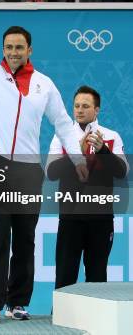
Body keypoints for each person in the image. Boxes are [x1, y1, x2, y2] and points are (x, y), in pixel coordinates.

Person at [0, 0, 89, 324]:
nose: (13, 52)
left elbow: (64, 124)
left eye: (19, 47)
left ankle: (18, 302)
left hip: (28, 170)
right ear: (3, 49)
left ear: (29, 50)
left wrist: (79, 158)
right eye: (9, 47)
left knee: (25, 239)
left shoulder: (44, 84)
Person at [47, 86, 129, 289]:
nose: (79, 110)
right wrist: (77, 153)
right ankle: (63, 316)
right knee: (65, 275)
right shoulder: (61, 137)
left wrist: (103, 151)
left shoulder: (111, 136)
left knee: (97, 276)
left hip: (101, 219)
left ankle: (95, 321)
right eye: (76, 106)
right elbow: (51, 172)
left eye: (85, 106)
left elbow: (122, 172)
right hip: (70, 217)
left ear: (97, 110)